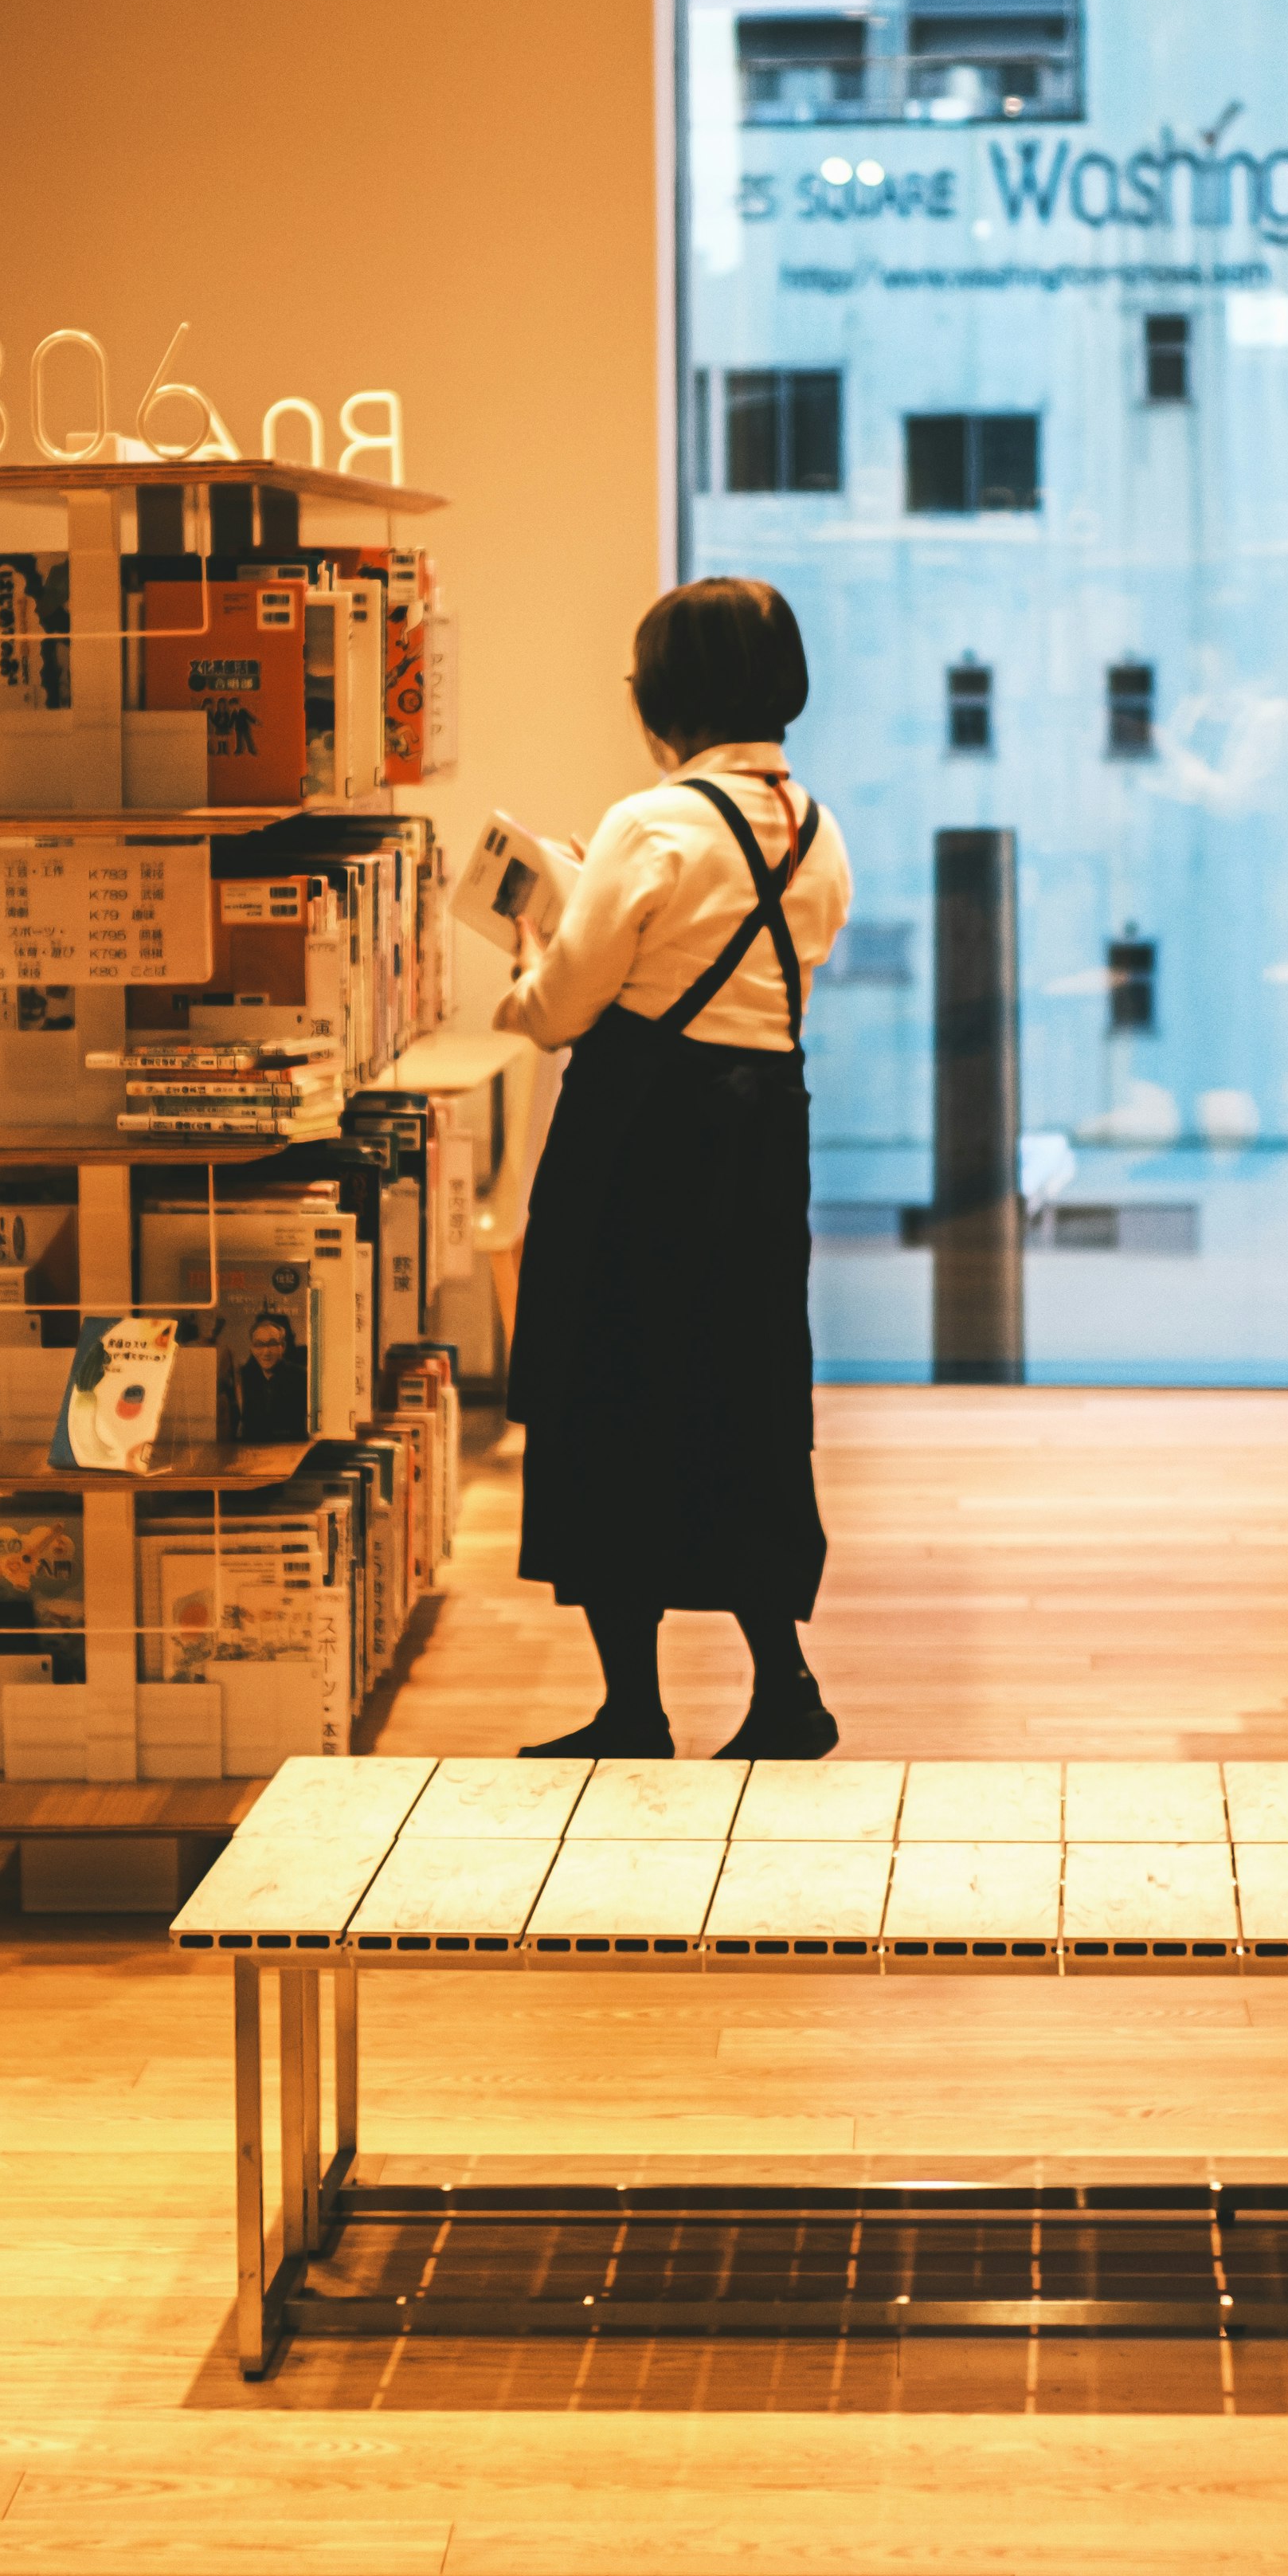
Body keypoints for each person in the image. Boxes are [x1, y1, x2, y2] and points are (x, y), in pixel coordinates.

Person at [493, 576, 854, 1761]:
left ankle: (634, 1709)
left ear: (663, 694)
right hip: (762, 1141)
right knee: (744, 1399)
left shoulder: (648, 825)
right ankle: (783, 1689)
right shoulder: (817, 826)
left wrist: (529, 939)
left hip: (641, 1142)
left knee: (607, 1399)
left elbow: (559, 1012)